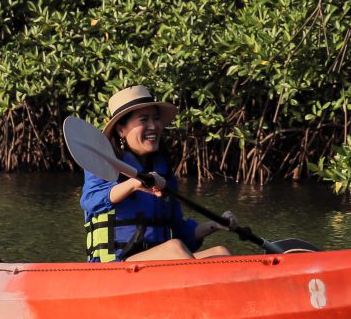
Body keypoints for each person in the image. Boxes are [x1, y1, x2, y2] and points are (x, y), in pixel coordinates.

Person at [82, 85, 239, 263]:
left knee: (221, 254)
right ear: (121, 130)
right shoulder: (102, 165)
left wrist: (214, 224)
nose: (153, 126)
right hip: (114, 268)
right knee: (175, 248)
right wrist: (134, 184)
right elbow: (91, 201)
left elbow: (181, 233)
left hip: (156, 265)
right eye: (144, 120)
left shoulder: (163, 172)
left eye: (156, 119)